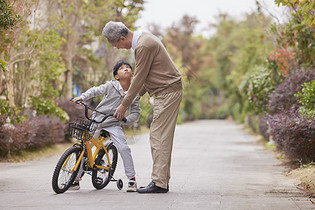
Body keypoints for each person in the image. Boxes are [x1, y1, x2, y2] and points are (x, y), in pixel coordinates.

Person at [102, 21, 183, 193]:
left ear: (123, 38)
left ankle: (160, 183)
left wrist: (124, 105)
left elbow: (138, 78)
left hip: (167, 92)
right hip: (165, 91)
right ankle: (161, 181)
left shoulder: (143, 46)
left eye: (115, 44)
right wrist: (132, 98)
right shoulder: (144, 40)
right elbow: (146, 78)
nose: (117, 48)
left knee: (159, 137)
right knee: (159, 137)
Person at [71, 60, 140, 192]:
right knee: (85, 146)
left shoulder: (134, 94)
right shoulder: (110, 86)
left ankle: (132, 180)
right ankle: (76, 178)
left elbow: (136, 113)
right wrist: (82, 97)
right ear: (116, 76)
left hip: (113, 123)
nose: (126, 69)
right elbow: (95, 91)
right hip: (97, 120)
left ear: (132, 73)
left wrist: (126, 119)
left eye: (128, 68)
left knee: (124, 148)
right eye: (122, 68)